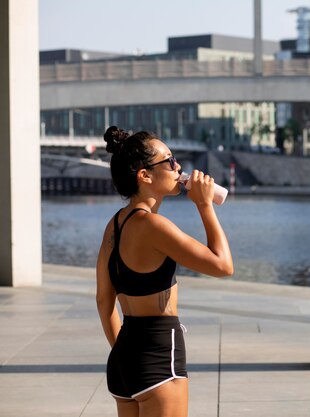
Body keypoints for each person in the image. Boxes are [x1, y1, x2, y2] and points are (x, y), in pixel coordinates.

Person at [96, 126, 234, 417]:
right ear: (144, 175)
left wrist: (123, 352)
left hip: (123, 358)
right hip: (159, 352)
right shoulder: (154, 226)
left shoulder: (115, 224)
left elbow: (103, 300)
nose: (178, 167)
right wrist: (204, 205)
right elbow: (223, 265)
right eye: (169, 161)